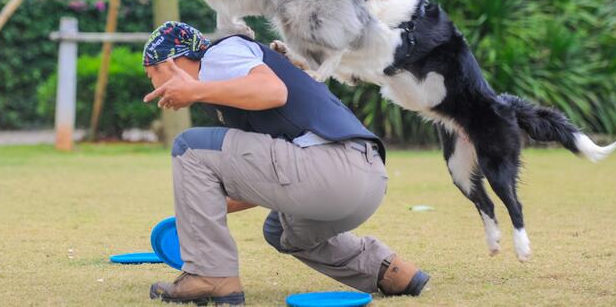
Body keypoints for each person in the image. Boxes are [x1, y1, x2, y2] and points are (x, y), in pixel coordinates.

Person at [142, 21, 429, 305]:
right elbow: (268, 175)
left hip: (332, 166)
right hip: (365, 181)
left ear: (168, 64)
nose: (153, 84)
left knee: (188, 146)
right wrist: (201, 207)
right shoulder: (229, 92)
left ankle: (210, 274)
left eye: (150, 74)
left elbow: (273, 91)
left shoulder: (219, 55)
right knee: (281, 232)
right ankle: (389, 271)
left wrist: (194, 90)